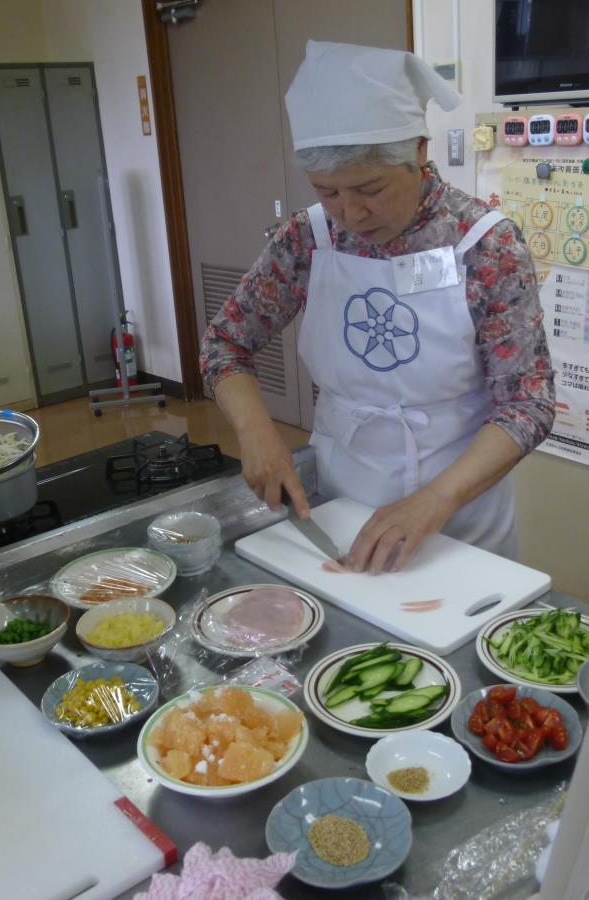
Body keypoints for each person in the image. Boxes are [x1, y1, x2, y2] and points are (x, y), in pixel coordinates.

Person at [200, 41, 555, 573]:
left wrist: (432, 502)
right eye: (328, 192)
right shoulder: (308, 238)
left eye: (369, 188)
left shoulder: (484, 243)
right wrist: (255, 432)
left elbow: (529, 403)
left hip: (461, 514)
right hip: (339, 505)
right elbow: (225, 342)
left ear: (417, 150)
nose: (351, 214)